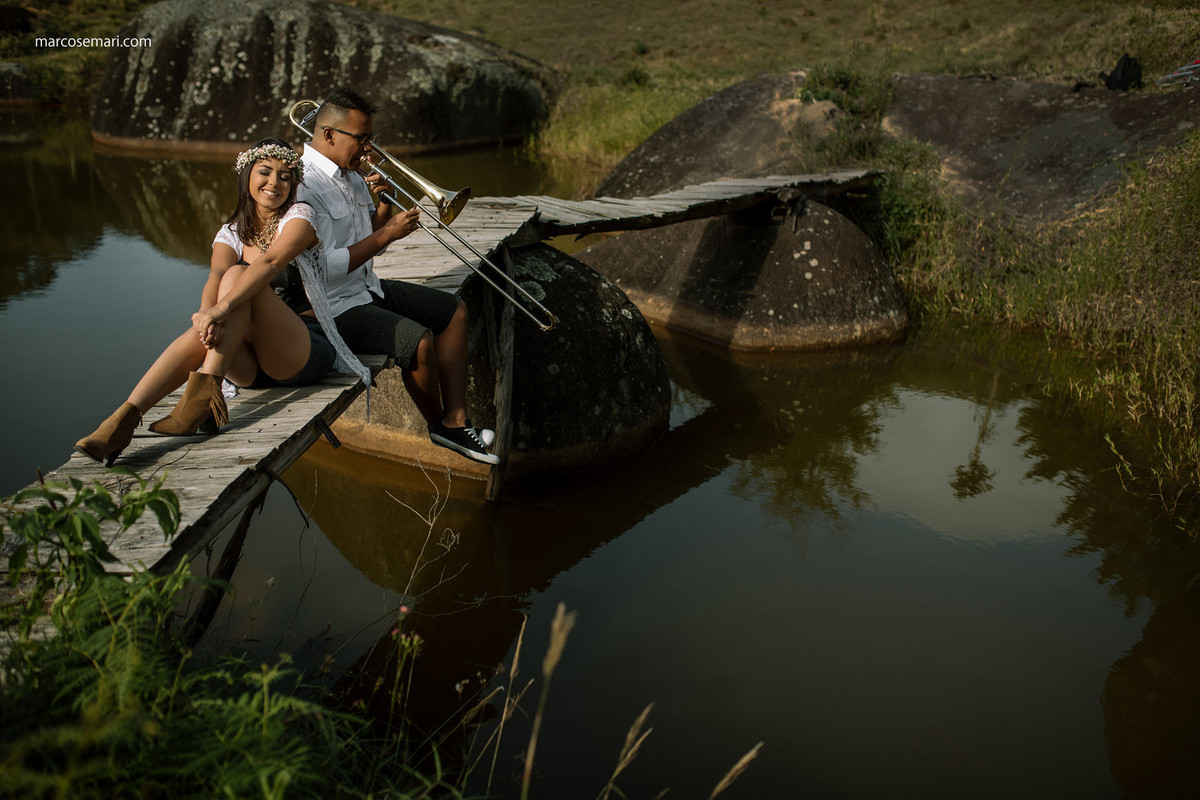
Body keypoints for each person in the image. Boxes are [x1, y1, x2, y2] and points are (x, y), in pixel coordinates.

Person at [74, 138, 369, 466]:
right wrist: (206, 318)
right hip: (249, 367)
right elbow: (214, 277)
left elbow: (271, 263)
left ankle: (199, 401)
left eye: (285, 176)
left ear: (294, 184)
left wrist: (221, 309)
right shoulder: (232, 231)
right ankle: (121, 423)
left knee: (238, 275)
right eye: (265, 172)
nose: (274, 182)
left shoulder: (301, 216)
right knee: (221, 290)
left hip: (303, 349)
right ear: (247, 175)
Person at [294, 86, 498, 465]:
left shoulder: (351, 173)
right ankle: (439, 427)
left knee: (453, 311)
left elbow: (369, 245)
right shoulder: (304, 185)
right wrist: (387, 233)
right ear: (329, 134)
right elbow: (327, 266)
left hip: (365, 287)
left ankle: (457, 420)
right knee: (417, 343)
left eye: (371, 137)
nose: (369, 147)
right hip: (332, 306)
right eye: (362, 138)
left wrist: (383, 209)